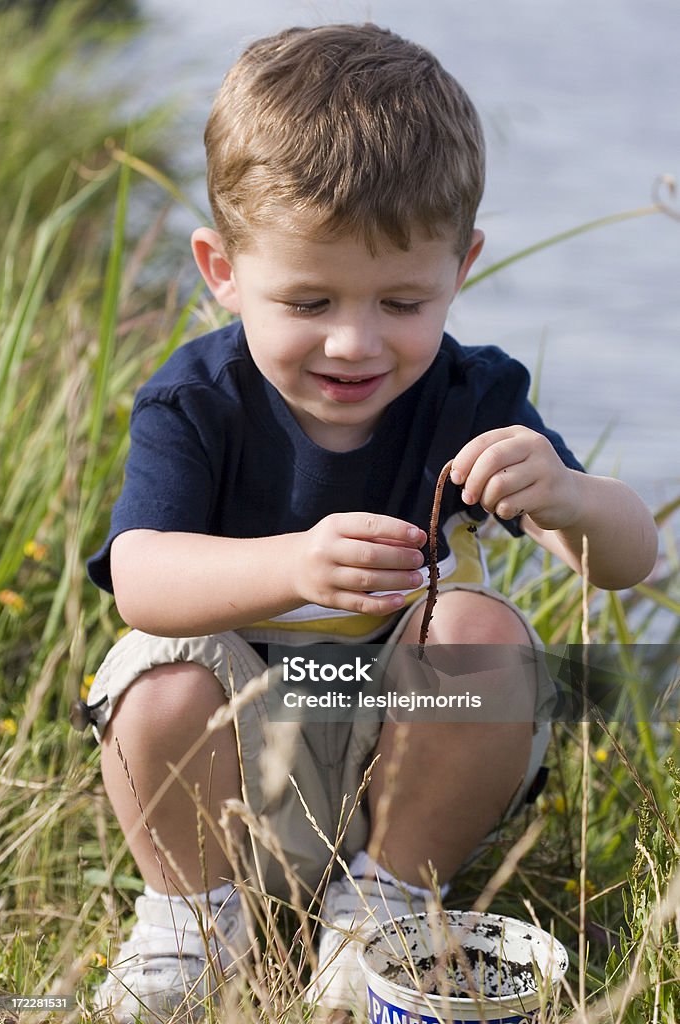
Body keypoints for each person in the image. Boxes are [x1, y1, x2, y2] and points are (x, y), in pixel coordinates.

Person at [84, 22, 658, 1022]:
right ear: (219, 269)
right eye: (306, 299)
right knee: (157, 669)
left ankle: (384, 905)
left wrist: (570, 500)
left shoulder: (470, 395)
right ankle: (193, 922)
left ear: (461, 265)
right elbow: (141, 577)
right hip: (229, 780)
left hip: (402, 774)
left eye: (400, 300)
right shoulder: (196, 399)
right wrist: (295, 566)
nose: (353, 341)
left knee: (479, 632)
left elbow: (626, 561)